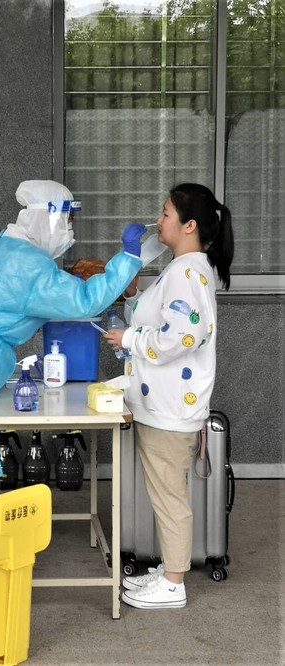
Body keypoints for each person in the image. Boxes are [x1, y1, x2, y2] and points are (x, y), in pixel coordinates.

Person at [0, 179, 147, 605]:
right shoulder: (26, 263)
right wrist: (128, 259)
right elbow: (81, 303)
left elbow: (37, 294)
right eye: (66, 219)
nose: (69, 229)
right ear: (47, 218)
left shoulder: (9, 248)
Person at [104, 182, 234, 610]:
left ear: (189, 225)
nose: (158, 221)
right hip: (163, 405)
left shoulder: (186, 271)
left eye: (165, 213)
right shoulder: (183, 268)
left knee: (170, 498)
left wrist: (129, 338)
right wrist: (132, 296)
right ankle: (168, 571)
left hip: (169, 409)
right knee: (165, 494)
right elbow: (162, 317)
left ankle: (174, 584)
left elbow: (182, 335)